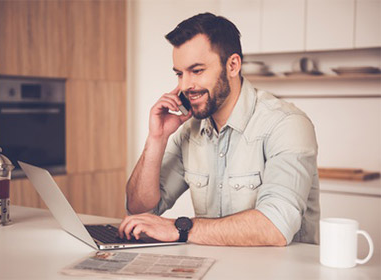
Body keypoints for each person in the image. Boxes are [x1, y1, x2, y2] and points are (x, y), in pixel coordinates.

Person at [118, 12, 319, 246]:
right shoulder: (188, 130)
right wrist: (157, 138)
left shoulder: (286, 124)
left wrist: (181, 229)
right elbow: (140, 208)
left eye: (197, 70)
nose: (185, 86)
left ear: (232, 65)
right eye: (179, 73)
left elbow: (276, 226)